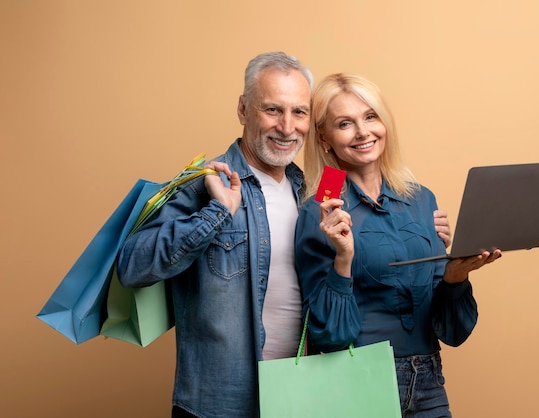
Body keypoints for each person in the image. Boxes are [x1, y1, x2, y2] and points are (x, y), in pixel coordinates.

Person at [117, 52, 451, 417]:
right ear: (244, 109)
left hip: (299, 397)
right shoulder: (206, 183)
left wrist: (424, 236)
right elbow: (133, 266)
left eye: (300, 112)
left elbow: (360, 248)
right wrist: (216, 213)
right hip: (221, 402)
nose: (287, 127)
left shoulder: (313, 189)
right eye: (273, 110)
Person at [294, 73, 502, 418]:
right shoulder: (323, 208)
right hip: (357, 383)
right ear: (325, 138)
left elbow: (452, 331)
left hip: (428, 382)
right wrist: (343, 258)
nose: (363, 132)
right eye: (345, 123)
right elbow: (329, 337)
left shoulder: (421, 199)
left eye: (370, 116)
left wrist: (455, 275)